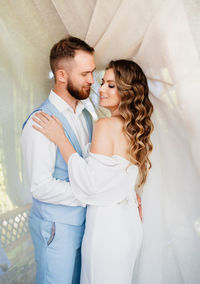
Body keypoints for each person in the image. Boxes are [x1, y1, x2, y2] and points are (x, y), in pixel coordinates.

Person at [32, 59, 154, 284]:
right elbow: (119, 177)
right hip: (129, 226)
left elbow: (89, 185)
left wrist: (61, 139)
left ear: (127, 92)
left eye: (111, 85)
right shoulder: (133, 129)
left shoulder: (105, 126)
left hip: (106, 229)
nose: (100, 90)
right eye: (102, 83)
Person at [21, 36, 96, 284]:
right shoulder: (39, 122)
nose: (92, 80)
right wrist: (89, 192)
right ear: (62, 75)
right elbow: (40, 186)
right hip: (55, 230)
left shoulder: (86, 116)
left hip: (85, 226)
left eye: (92, 72)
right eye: (85, 73)